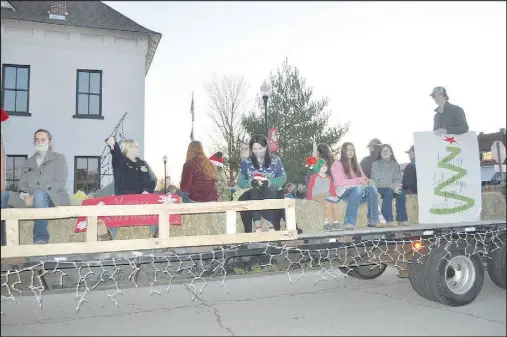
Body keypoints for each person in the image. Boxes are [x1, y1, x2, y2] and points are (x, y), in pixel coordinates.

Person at [1, 129, 70, 244]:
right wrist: (25, 195)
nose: (39, 142)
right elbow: (22, 184)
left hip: (53, 197)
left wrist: (38, 193)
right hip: (29, 199)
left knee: (39, 195)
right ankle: (3, 238)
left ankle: (40, 238)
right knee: (3, 196)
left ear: (50, 142)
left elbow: (60, 182)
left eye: (43, 140)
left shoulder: (59, 159)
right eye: (37, 140)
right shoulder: (28, 162)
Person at [106, 136, 157, 239]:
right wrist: (113, 145)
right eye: (136, 146)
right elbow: (116, 155)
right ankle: (108, 234)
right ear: (127, 148)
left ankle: (155, 232)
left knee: (155, 207)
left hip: (141, 199)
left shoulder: (142, 164)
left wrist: (147, 191)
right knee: (115, 213)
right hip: (123, 198)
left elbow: (150, 180)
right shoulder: (121, 162)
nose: (139, 149)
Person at [237, 134, 287, 233]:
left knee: (269, 191)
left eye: (260, 148)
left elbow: (283, 178)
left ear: (266, 147)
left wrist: (270, 182)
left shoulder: (275, 160)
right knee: (254, 192)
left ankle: (271, 225)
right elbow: (240, 181)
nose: (257, 151)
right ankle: (257, 226)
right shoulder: (246, 162)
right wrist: (250, 183)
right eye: (254, 149)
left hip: (271, 190)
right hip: (253, 191)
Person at [331, 142, 380, 230]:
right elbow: (339, 183)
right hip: (343, 193)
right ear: (343, 151)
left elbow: (363, 178)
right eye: (348, 150)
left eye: (352, 150)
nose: (350, 152)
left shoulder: (356, 164)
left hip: (358, 194)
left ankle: (373, 220)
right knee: (358, 188)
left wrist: (368, 181)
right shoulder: (336, 164)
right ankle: (349, 222)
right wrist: (358, 181)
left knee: (372, 188)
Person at [371, 144, 408, 226]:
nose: (385, 152)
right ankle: (388, 219)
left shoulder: (395, 164)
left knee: (401, 192)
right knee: (389, 191)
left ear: (391, 153)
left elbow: (398, 178)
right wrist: (393, 187)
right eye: (383, 151)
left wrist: (397, 186)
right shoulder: (376, 164)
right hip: (379, 188)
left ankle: (402, 219)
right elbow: (378, 180)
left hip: (392, 187)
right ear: (380, 153)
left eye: (387, 150)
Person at [306, 157, 341, 231]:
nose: (325, 167)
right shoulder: (314, 177)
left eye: (325, 165)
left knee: (335, 204)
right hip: (317, 196)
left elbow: (331, 188)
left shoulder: (328, 177)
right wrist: (309, 199)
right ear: (317, 167)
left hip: (327, 195)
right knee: (327, 203)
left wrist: (334, 196)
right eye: (322, 166)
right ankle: (326, 223)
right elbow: (310, 188)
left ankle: (336, 222)